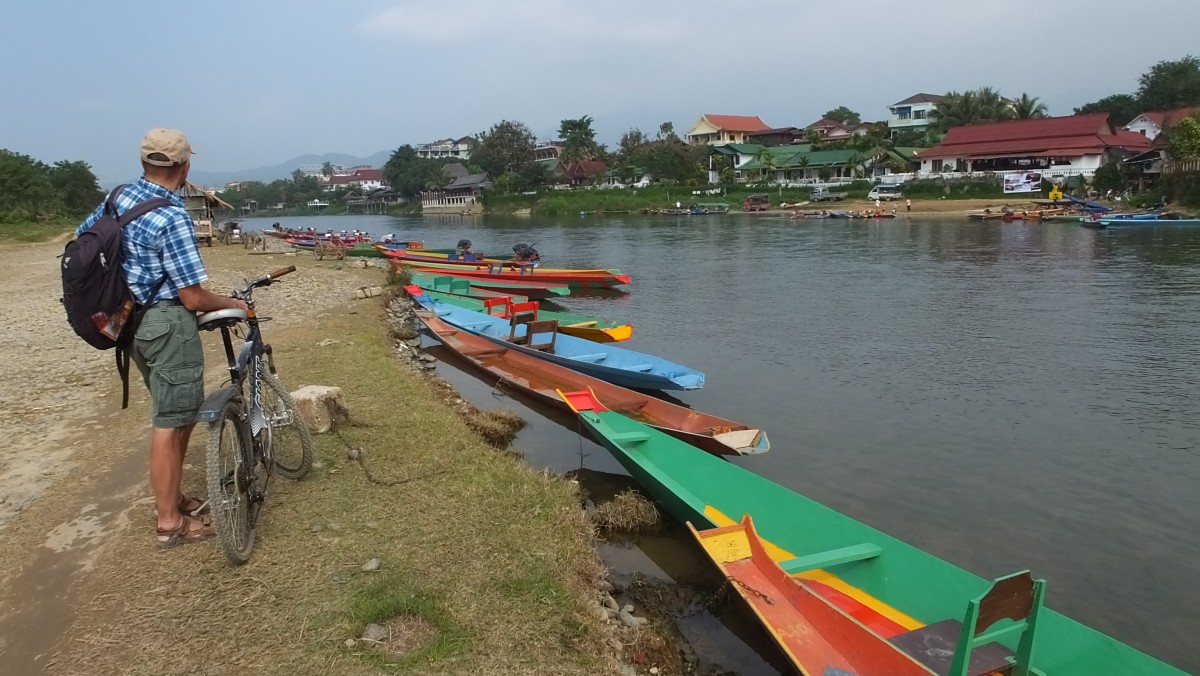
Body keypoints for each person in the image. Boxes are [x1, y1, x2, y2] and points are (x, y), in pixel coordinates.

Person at [76, 128, 249, 548]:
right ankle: (170, 522)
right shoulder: (172, 217)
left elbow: (83, 241)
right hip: (166, 324)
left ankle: (172, 499)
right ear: (186, 167)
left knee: (178, 410)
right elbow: (191, 297)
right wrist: (236, 303)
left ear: (143, 164)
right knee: (170, 424)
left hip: (129, 324)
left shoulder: (116, 198)